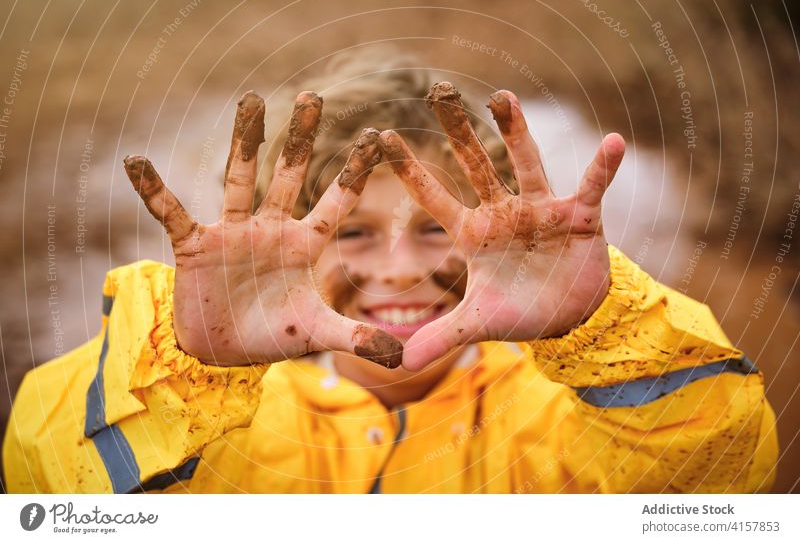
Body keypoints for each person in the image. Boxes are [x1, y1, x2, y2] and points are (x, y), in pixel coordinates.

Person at [3, 50, 777, 493]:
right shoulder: (223, 436)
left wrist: (602, 328)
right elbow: (50, 480)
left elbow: (719, 473)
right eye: (356, 232)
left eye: (436, 228)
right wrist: (186, 367)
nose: (401, 271)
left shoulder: (567, 418)